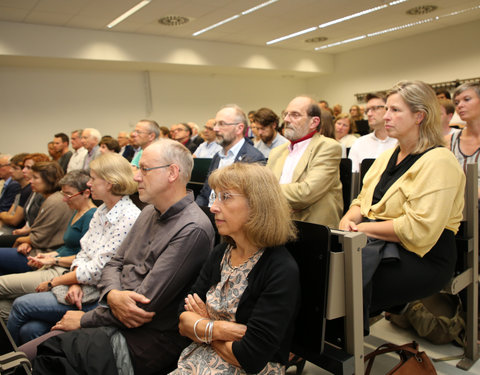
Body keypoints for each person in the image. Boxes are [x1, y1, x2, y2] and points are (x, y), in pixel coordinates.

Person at [22, 139, 214, 375]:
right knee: (31, 334)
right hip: (112, 314)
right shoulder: (148, 213)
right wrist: (113, 294)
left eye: (144, 169)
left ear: (172, 172)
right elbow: (113, 263)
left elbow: (142, 306)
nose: (136, 177)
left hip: (143, 340)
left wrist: (85, 319)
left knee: (35, 356)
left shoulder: (192, 228)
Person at [339, 80, 465, 333]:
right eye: (387, 109)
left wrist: (361, 229)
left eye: (395, 110)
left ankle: (338, 343)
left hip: (424, 256)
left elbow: (419, 229)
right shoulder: (387, 156)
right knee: (325, 273)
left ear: (419, 116)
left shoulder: (440, 161)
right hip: (377, 242)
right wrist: (348, 220)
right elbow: (362, 201)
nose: (386, 116)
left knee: (340, 285)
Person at [171, 162, 300, 374]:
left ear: (257, 205)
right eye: (215, 196)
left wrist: (203, 327)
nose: (213, 207)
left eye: (226, 197)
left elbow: (250, 357)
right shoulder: (221, 253)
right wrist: (218, 327)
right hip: (197, 364)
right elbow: (182, 319)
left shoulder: (280, 268)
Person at [7, 153, 141, 344]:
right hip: (83, 286)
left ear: (110, 183)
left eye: (93, 179)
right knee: (31, 329)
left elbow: (99, 269)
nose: (89, 184)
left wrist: (55, 282)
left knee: (21, 304)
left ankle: (9, 365)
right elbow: (83, 253)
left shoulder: (128, 217)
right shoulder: (103, 210)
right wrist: (76, 283)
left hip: (100, 296)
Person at [0, 170, 96, 320]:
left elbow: (84, 257)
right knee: (4, 306)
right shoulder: (77, 210)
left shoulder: (91, 216)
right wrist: (48, 256)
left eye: (68, 194)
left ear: (86, 193)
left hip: (63, 270)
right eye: (63, 194)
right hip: (55, 264)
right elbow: (67, 248)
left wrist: (53, 259)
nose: (64, 199)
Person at [267, 96, 342, 227]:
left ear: (314, 122)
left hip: (311, 228)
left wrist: (266, 192)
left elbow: (306, 192)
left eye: (295, 115)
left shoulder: (327, 147)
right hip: (277, 225)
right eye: (286, 114)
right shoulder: (276, 152)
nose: (286, 119)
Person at [0, 162, 72, 275]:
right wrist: (27, 242)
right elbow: (39, 233)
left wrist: (22, 241)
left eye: (35, 178)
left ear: (49, 179)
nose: (30, 181)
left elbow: (38, 238)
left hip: (42, 255)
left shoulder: (54, 201)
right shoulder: (51, 198)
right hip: (37, 249)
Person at [195, 104, 266, 207]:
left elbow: (250, 203)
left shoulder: (253, 158)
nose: (215, 129)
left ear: (239, 128)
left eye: (221, 124)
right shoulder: (217, 156)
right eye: (215, 124)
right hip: (209, 215)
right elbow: (205, 193)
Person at [0, 153, 50, 247]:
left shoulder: (41, 194)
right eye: (23, 167)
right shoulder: (31, 190)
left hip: (35, 240)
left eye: (28, 167)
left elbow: (14, 220)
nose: (24, 171)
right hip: (26, 234)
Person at [348, 93, 397, 172]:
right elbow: (354, 177)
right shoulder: (359, 143)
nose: (369, 114)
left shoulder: (401, 143)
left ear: (388, 109)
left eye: (374, 108)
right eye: (367, 110)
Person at [447, 82, 480, 198]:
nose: (460, 105)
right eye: (456, 102)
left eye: (467, 99)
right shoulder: (448, 141)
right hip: (457, 208)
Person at [0, 153, 31, 232]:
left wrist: (1, 215)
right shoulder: (21, 189)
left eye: (15, 168)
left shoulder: (28, 190)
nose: (10, 171)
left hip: (16, 231)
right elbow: (10, 214)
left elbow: (14, 220)